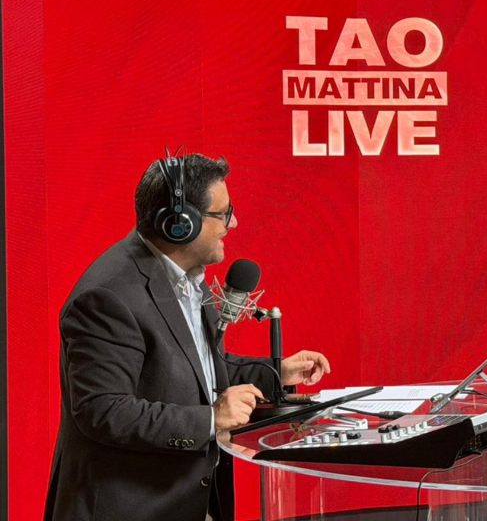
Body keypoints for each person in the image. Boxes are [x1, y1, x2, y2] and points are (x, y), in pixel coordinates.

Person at [44, 152, 332, 521]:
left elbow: (198, 368)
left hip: (189, 504)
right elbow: (104, 411)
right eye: (223, 213)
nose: (233, 223)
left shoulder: (185, 277)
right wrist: (210, 420)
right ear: (180, 224)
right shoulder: (108, 297)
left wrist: (276, 372)